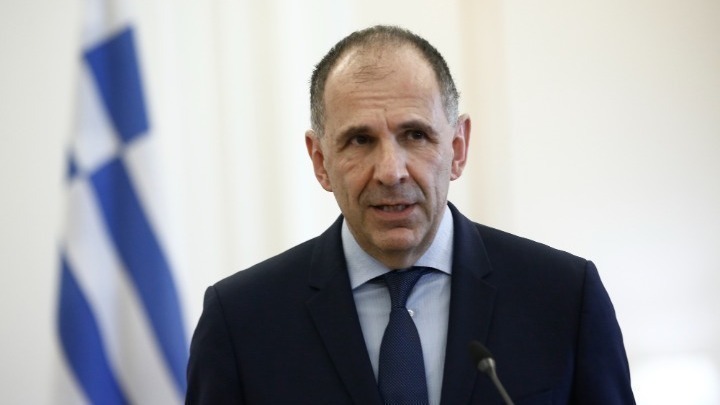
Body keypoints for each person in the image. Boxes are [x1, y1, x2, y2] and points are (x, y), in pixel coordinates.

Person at [186, 25, 635, 404]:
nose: (391, 171)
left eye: (415, 135)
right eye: (360, 140)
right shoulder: (241, 321)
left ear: (457, 148)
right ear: (320, 161)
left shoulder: (564, 298)